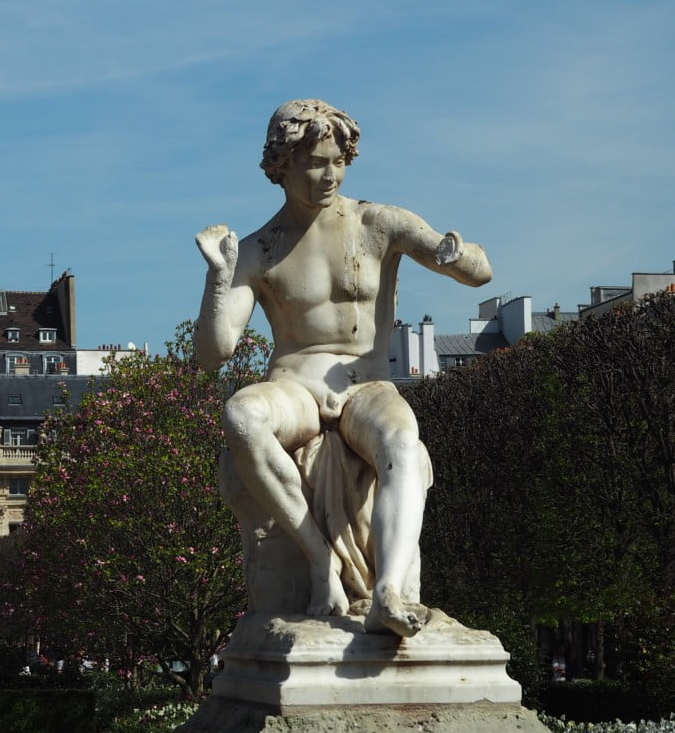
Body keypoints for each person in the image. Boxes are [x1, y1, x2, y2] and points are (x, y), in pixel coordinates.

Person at [194, 99, 492, 639]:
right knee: (241, 416)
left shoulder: (379, 223)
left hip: (366, 384)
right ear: (280, 165)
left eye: (337, 161)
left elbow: (481, 272)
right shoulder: (259, 250)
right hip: (295, 387)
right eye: (313, 163)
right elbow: (213, 353)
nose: (328, 175)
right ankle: (317, 558)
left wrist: (455, 256)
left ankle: (389, 592)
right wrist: (219, 278)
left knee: (403, 443)